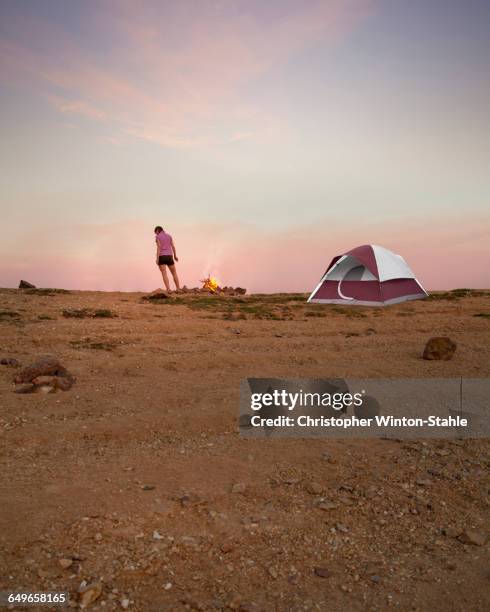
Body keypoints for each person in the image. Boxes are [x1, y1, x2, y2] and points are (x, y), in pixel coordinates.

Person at [154, 226, 181, 291]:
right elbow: (173, 246)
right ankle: (178, 288)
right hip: (169, 256)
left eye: (155, 232)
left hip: (162, 256)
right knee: (174, 273)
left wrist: (157, 258)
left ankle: (168, 289)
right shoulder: (169, 236)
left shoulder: (158, 237)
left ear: (158, 230)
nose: (155, 234)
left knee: (164, 274)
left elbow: (159, 247)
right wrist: (175, 256)